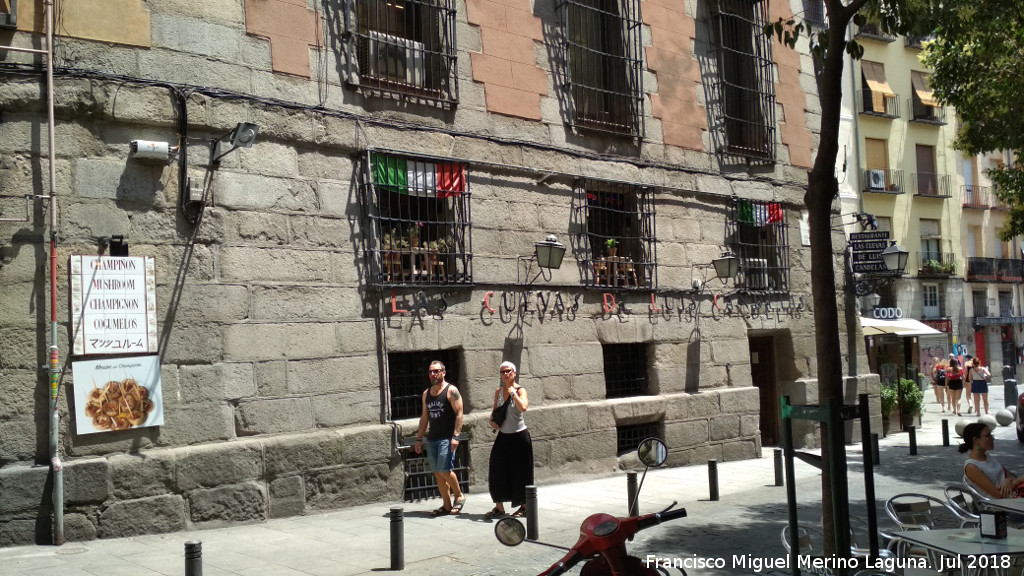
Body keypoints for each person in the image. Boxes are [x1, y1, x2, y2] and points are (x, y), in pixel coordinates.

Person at [414, 361, 466, 516]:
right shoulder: (426, 394)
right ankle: (446, 505)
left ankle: (459, 495)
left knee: (444, 470)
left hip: (447, 438)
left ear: (443, 372)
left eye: (436, 371)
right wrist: (419, 438)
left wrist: (456, 436)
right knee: (437, 473)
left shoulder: (451, 391)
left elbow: (459, 413)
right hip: (432, 438)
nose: (432, 374)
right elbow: (424, 418)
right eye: (430, 371)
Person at [485, 361, 534, 520]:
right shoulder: (498, 392)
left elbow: (524, 408)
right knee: (496, 469)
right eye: (502, 372)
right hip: (503, 437)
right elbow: (494, 412)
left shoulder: (521, 390)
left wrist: (513, 393)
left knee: (521, 471)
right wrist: (492, 421)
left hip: (520, 437)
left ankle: (524, 506)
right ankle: (499, 507)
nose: (505, 374)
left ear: (514, 373)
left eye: (508, 371)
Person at [961, 423, 1024, 498]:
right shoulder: (971, 467)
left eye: (991, 435)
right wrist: (1016, 482)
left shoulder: (986, 457)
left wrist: (1008, 480)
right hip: (999, 506)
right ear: (975, 440)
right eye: (988, 436)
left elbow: (1011, 476)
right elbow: (998, 495)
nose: (992, 438)